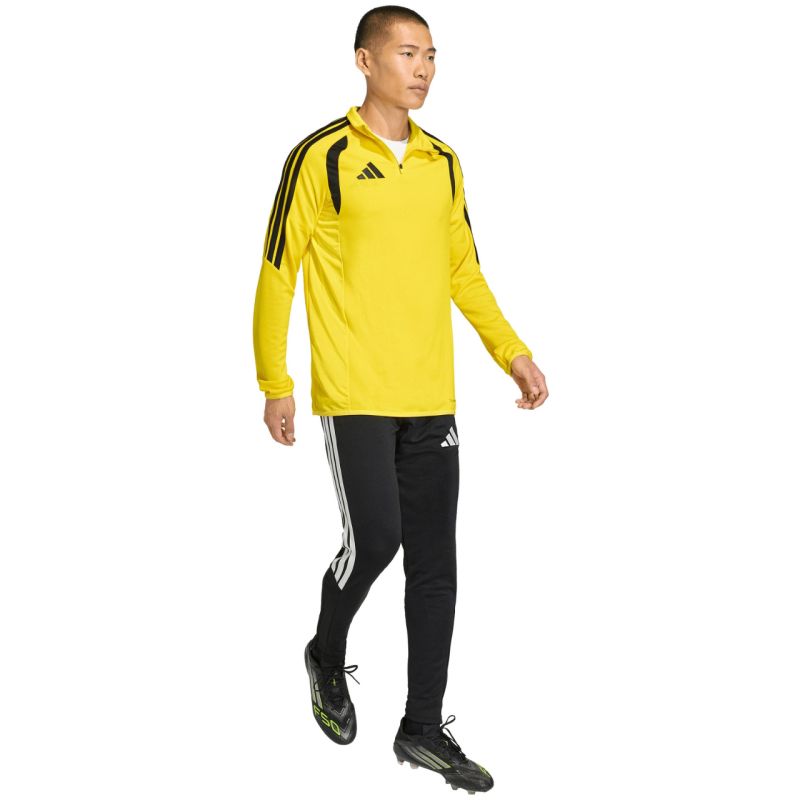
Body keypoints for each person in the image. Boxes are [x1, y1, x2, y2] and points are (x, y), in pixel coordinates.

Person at [252, 5, 548, 793]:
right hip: (354, 392)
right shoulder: (321, 156)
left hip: (431, 395)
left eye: (432, 55)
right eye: (408, 53)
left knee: (437, 566)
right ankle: (325, 652)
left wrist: (512, 352)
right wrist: (276, 382)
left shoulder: (443, 162)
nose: (423, 69)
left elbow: (463, 271)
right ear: (365, 61)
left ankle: (421, 728)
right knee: (376, 541)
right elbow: (279, 270)